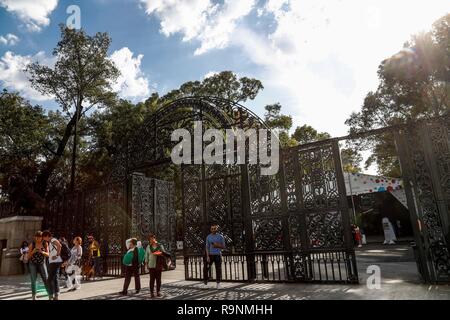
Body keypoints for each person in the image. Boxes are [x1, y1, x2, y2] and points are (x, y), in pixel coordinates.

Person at [144, 234, 169, 298]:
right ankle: (152, 292)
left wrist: (159, 253)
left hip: (158, 265)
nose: (151, 240)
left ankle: (158, 291)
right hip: (151, 265)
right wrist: (146, 264)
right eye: (150, 239)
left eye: (152, 238)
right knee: (152, 280)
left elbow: (163, 253)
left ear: (155, 239)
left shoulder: (160, 245)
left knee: (158, 279)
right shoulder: (148, 247)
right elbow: (146, 256)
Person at [28, 231, 50, 300]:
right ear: (35, 237)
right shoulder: (32, 244)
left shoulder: (45, 243)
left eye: (39, 237)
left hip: (42, 263)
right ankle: (34, 296)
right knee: (33, 280)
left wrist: (42, 252)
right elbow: (28, 256)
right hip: (33, 264)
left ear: (42, 237)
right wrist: (33, 252)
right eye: (36, 237)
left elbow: (48, 254)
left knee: (46, 279)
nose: (38, 238)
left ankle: (50, 294)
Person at [203, 224, 225, 289]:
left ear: (217, 229)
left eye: (214, 228)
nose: (213, 230)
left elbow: (223, 247)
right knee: (205, 268)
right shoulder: (208, 237)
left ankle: (218, 284)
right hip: (210, 255)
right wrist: (207, 256)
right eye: (212, 229)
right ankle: (205, 283)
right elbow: (207, 247)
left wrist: (217, 245)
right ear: (210, 229)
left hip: (218, 255)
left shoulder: (221, 237)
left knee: (218, 269)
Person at [42, 230, 63, 300]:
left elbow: (59, 245)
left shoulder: (53, 239)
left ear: (47, 236)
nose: (44, 239)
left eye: (44, 237)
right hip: (53, 262)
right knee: (54, 278)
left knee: (50, 279)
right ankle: (55, 296)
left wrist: (57, 255)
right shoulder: (51, 241)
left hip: (56, 262)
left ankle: (52, 295)